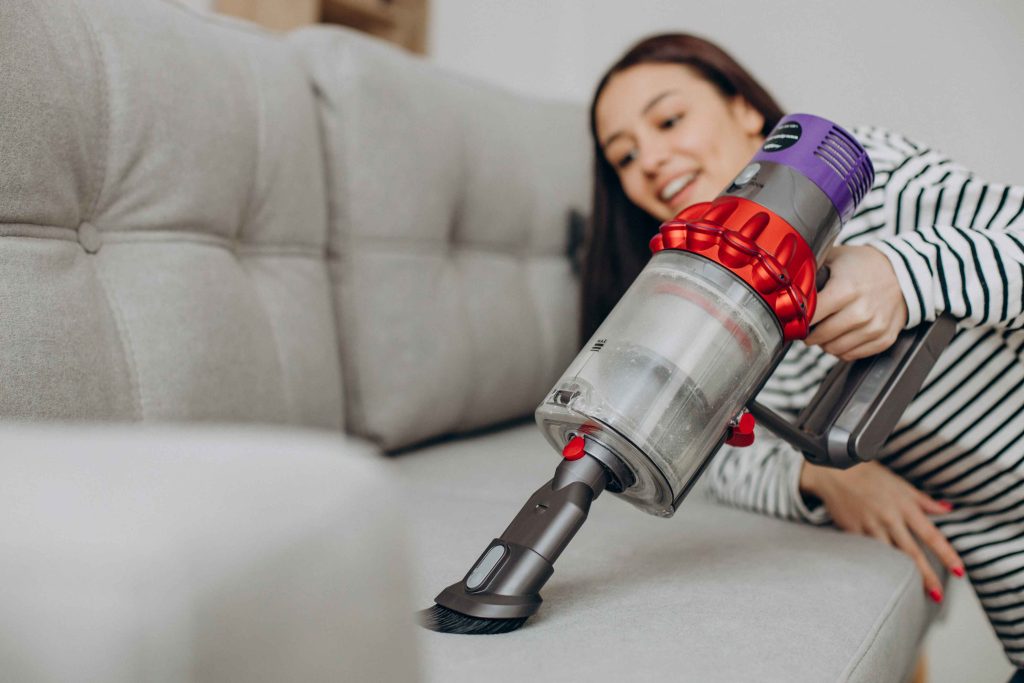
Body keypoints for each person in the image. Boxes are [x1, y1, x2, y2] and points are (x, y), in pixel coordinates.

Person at [584, 33, 1024, 674]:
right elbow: (707, 454)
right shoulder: (696, 312)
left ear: (744, 110)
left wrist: (904, 277)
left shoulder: (868, 174)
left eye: (669, 119)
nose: (649, 160)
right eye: (623, 156)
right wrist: (816, 476)